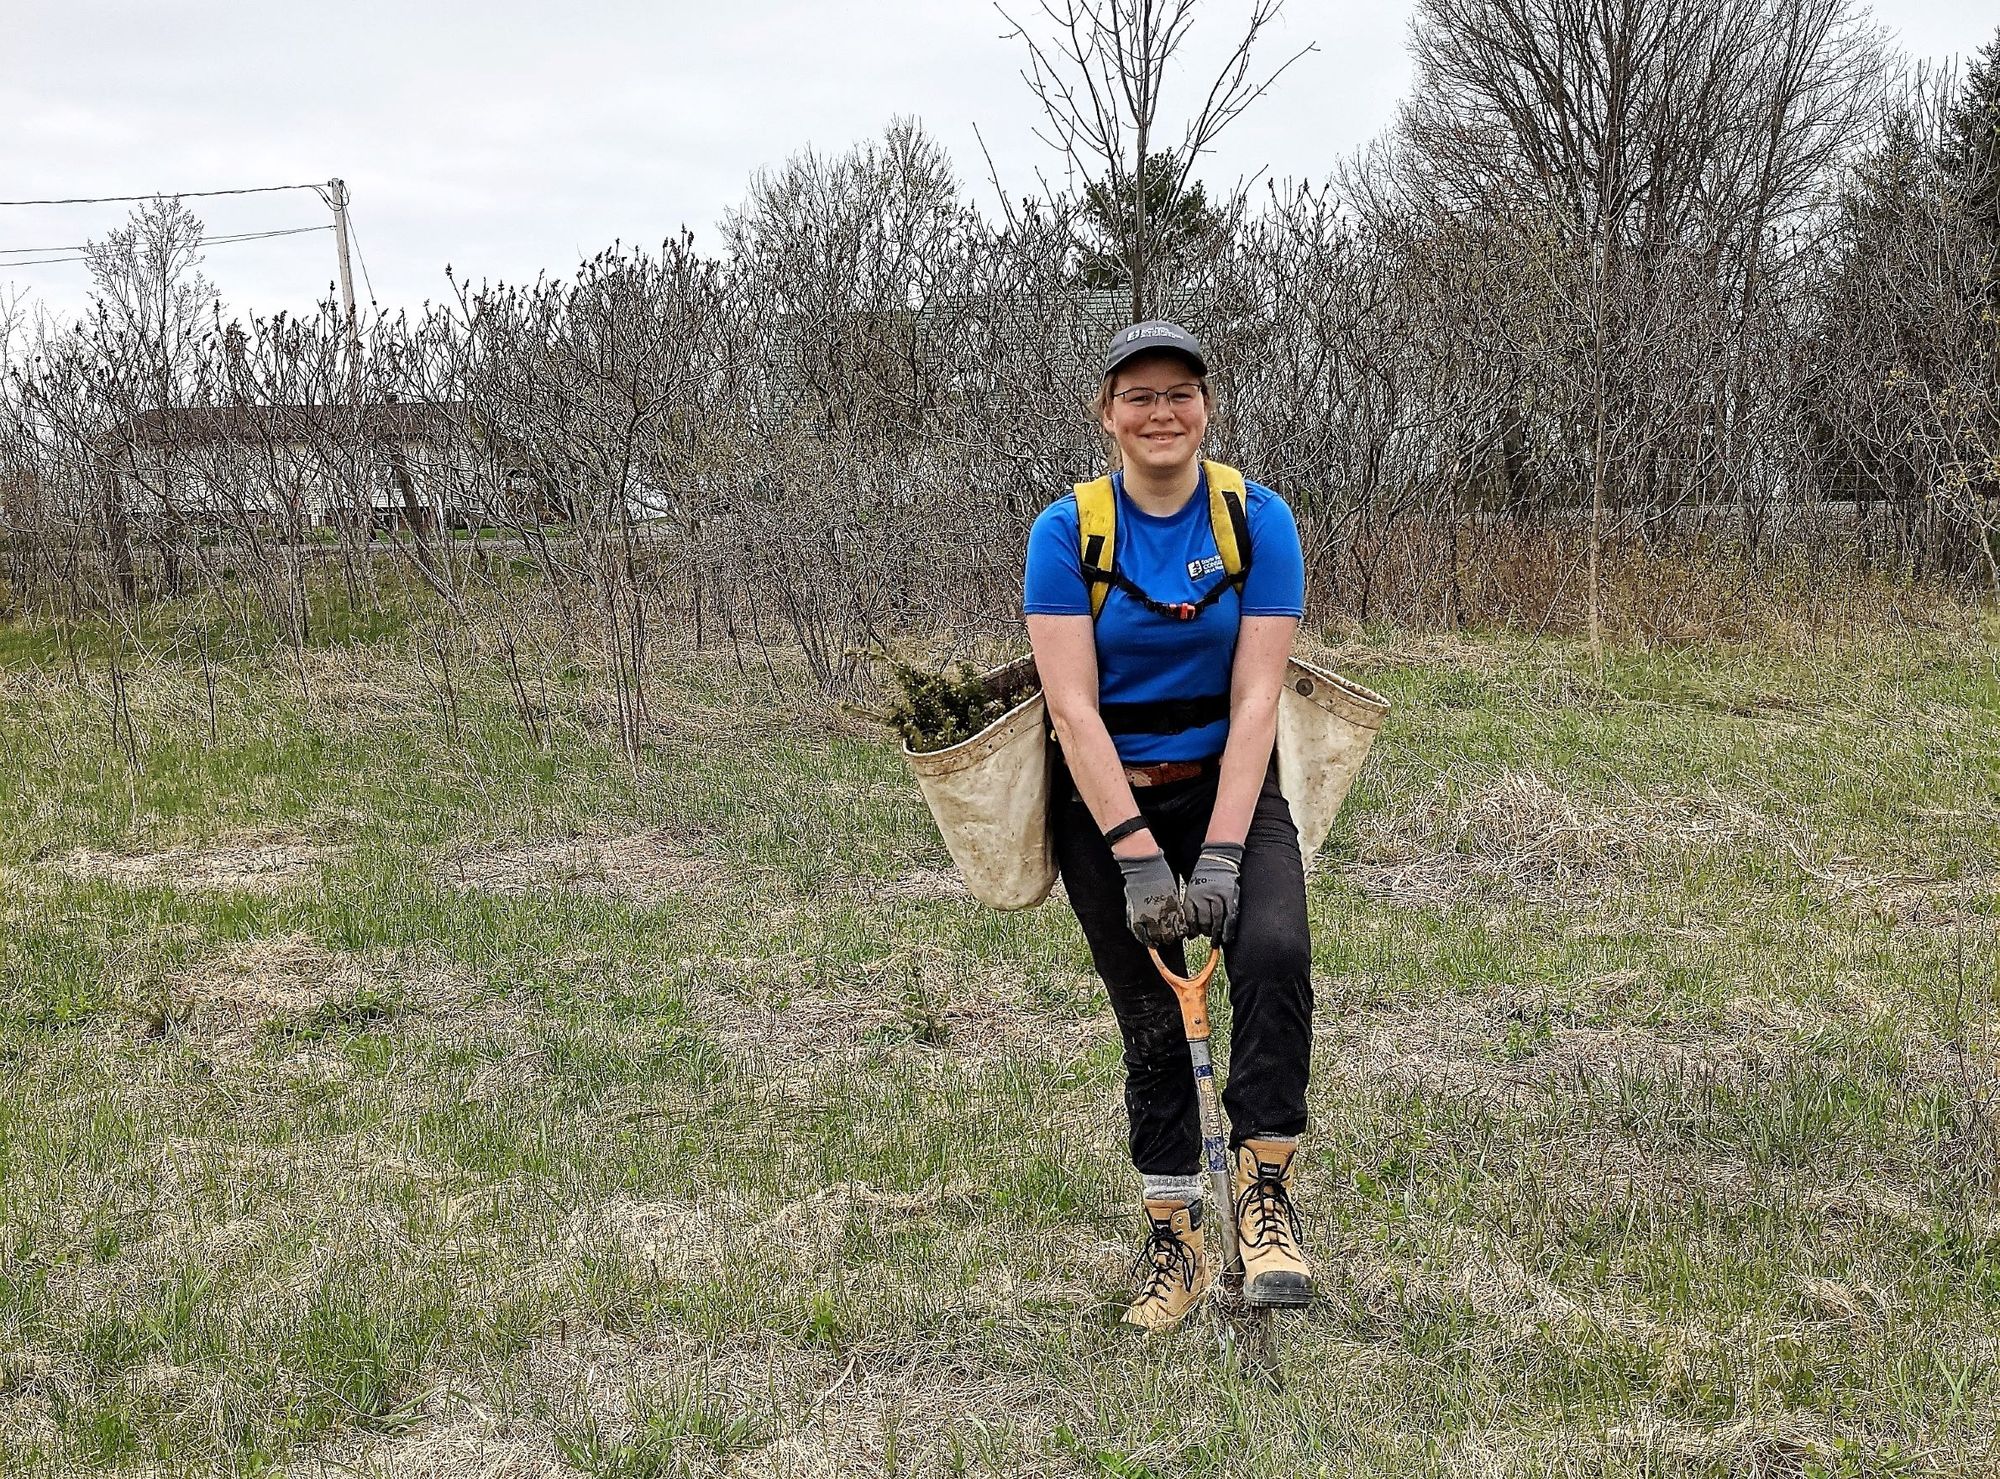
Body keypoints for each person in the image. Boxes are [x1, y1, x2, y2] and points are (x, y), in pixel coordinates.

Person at [1023, 319, 1313, 1332]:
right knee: (1150, 1020)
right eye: (1137, 396)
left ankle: (1263, 1195)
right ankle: (1174, 1244)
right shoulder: (1066, 533)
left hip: (1225, 779)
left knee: (1271, 952)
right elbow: (1071, 711)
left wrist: (1223, 855)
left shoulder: (1255, 519)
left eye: (1178, 393)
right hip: (1105, 800)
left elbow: (1257, 700)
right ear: (1106, 415)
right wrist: (1140, 862)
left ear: (1205, 407)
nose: (1160, 412)